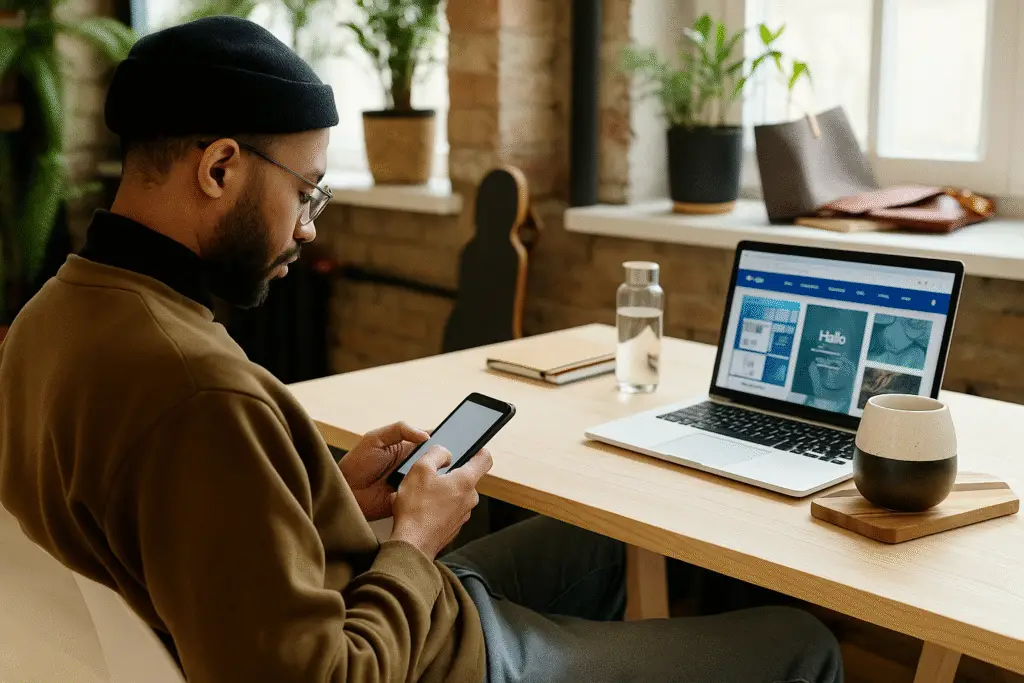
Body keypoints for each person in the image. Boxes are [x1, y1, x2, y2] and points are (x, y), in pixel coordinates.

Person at [0, 16, 844, 683]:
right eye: (306, 190)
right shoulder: (196, 390)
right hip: (420, 654)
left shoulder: (50, 319)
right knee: (802, 642)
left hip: (359, 598)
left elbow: (181, 533)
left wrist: (321, 496)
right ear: (219, 167)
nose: (306, 226)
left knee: (605, 543)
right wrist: (414, 537)